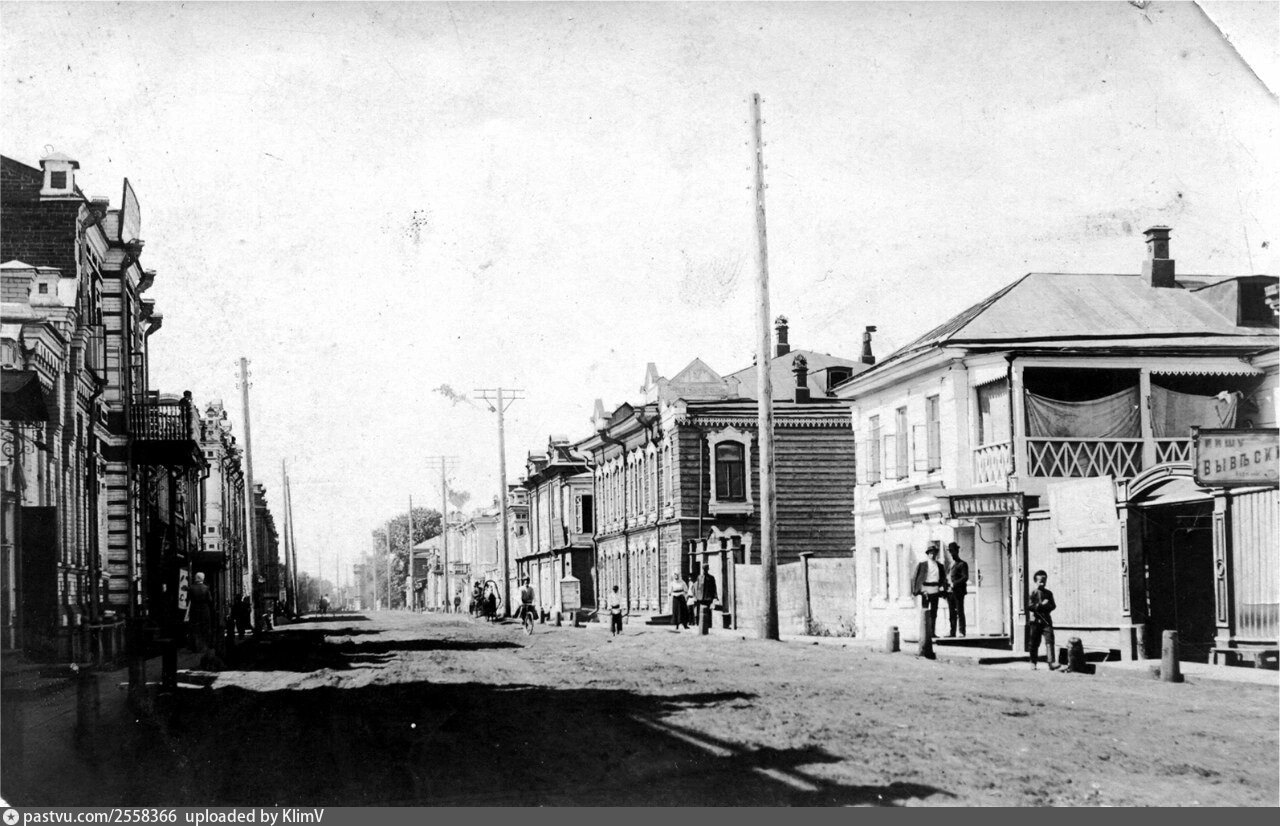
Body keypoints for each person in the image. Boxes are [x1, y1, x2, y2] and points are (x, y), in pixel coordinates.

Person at [911, 543, 947, 639]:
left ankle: (932, 632)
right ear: (928, 554)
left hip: (935, 590)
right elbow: (916, 578)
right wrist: (920, 590)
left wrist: (942, 588)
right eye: (930, 553)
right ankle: (925, 633)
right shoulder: (922, 565)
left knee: (934, 612)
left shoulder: (939, 566)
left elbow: (943, 579)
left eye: (934, 553)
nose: (932, 555)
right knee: (925, 612)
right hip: (925, 590)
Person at [1028, 570, 1058, 670]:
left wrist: (1047, 606)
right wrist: (1041, 605)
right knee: (1034, 642)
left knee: (1050, 640)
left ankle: (1051, 662)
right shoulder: (1032, 593)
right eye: (1040, 581)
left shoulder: (1049, 593)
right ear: (1035, 581)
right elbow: (1029, 606)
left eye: (1044, 581)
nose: (1042, 583)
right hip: (1035, 621)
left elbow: (1053, 606)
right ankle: (1033, 662)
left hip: (1046, 620)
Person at [946, 542, 969, 638]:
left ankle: (961, 631)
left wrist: (954, 584)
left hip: (958, 592)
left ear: (957, 551)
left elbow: (965, 577)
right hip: (950, 592)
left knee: (960, 611)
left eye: (953, 551)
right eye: (950, 551)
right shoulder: (950, 565)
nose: (951, 553)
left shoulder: (962, 564)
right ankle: (952, 632)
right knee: (952, 613)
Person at [187, 572, 213, 652]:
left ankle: (195, 647)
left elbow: (188, 599)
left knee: (195, 628)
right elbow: (210, 600)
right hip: (204, 610)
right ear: (202, 578)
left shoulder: (191, 588)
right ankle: (204, 646)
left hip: (194, 610)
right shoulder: (206, 588)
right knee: (204, 628)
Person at [696, 564, 718, 633]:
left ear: (708, 569)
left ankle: (708, 625)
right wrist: (697, 596)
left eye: (706, 569)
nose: (704, 570)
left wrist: (715, 597)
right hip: (701, 597)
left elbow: (714, 588)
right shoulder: (699, 577)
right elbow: (697, 587)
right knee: (701, 611)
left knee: (708, 611)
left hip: (708, 597)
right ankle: (700, 624)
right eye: (703, 569)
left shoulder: (711, 578)